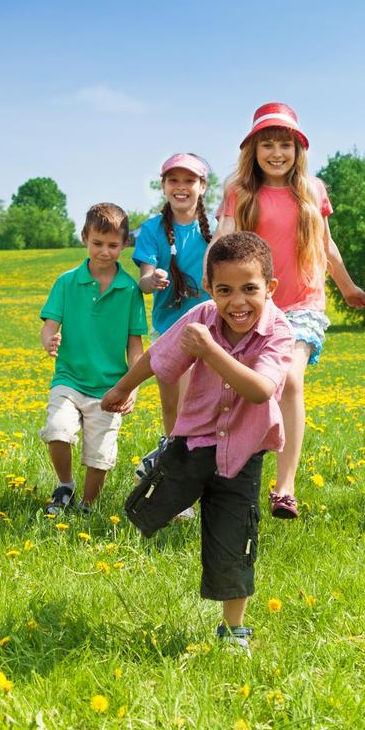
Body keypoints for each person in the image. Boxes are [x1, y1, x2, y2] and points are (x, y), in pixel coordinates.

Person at [101, 232, 293, 652]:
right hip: (194, 442)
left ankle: (233, 629)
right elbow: (159, 355)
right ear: (210, 289)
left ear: (270, 289)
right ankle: (162, 473)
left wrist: (209, 352)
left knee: (235, 536)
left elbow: (260, 390)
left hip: (244, 452)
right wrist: (121, 389)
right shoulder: (201, 317)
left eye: (249, 289)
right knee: (144, 510)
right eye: (224, 290)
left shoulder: (279, 333)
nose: (237, 302)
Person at [212, 102, 365, 519]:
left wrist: (348, 286)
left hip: (303, 304)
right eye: (268, 145)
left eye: (285, 144)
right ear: (253, 150)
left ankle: (285, 488)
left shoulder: (313, 190)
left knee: (291, 381)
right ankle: (234, 475)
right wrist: (216, 288)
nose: (276, 153)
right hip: (254, 305)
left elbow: (326, 245)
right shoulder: (239, 191)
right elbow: (225, 241)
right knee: (249, 390)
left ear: (298, 150)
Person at [39, 203, 146, 516]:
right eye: (97, 243)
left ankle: (86, 506)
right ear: (85, 237)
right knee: (57, 430)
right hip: (69, 379)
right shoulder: (66, 282)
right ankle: (65, 486)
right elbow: (48, 328)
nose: (104, 251)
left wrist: (132, 388)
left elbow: (135, 347)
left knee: (100, 456)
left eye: (113, 245)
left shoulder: (129, 291)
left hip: (110, 388)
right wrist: (51, 342)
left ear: (125, 244)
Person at [132, 154, 213, 514]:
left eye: (189, 180)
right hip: (169, 330)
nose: (181, 187)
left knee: (201, 408)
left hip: (211, 329)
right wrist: (154, 279)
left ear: (202, 187)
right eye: (173, 181)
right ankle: (176, 485)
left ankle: (187, 475)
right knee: (174, 409)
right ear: (164, 186)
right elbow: (145, 279)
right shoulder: (151, 229)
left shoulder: (215, 228)